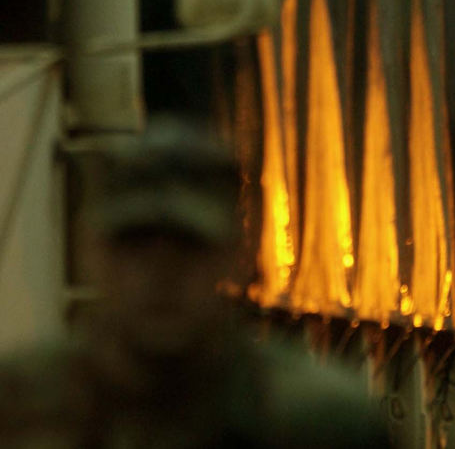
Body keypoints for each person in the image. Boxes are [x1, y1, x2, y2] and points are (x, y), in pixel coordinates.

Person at [0, 116, 390, 448]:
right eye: (136, 246)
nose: (161, 275)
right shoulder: (22, 407)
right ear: (90, 254)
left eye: (188, 247)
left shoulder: (316, 422)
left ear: (234, 258)